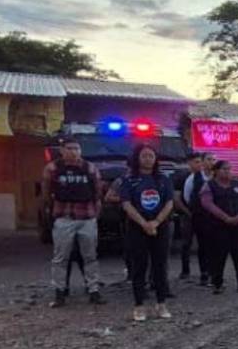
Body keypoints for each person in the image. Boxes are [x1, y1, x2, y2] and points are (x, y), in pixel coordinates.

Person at [44, 138, 105, 307]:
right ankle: (59, 293)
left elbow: (97, 193)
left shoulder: (90, 168)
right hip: (64, 218)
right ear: (62, 150)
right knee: (60, 258)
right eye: (69, 148)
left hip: (87, 218)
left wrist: (95, 215)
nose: (73, 152)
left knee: (90, 256)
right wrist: (50, 214)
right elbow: (46, 192)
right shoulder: (52, 169)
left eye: (77, 148)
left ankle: (94, 291)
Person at [119, 144, 175, 322]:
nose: (148, 159)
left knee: (160, 266)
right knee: (139, 267)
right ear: (137, 158)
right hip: (137, 228)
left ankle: (161, 303)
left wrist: (157, 222)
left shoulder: (163, 179)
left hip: (160, 228)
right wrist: (144, 223)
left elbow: (169, 203)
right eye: (144, 156)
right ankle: (139, 306)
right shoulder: (129, 180)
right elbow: (126, 204)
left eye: (151, 156)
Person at [199, 160, 238, 293]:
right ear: (216, 171)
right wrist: (225, 218)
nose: (227, 172)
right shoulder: (209, 186)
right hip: (218, 227)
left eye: (229, 169)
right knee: (219, 255)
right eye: (224, 169)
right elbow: (208, 205)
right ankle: (217, 284)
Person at [173, 152, 206, 282]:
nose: (199, 165)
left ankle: (205, 271)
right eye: (196, 162)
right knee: (186, 243)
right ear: (189, 163)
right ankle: (185, 270)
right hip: (186, 214)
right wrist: (187, 212)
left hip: (201, 215)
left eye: (200, 162)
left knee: (203, 244)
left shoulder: (203, 177)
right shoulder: (182, 177)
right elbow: (177, 198)